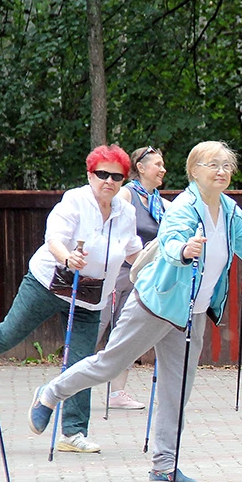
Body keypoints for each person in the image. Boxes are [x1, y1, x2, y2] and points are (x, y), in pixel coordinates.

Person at [29, 141, 242, 482]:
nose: (222, 171)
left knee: (176, 391)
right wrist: (184, 249)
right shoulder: (183, 207)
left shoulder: (229, 210)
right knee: (109, 365)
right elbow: (169, 243)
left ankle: (164, 466)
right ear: (194, 171)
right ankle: (51, 392)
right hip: (156, 304)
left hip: (191, 313)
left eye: (227, 166)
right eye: (213, 165)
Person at [0, 145, 143, 453]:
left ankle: (72, 433)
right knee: (9, 333)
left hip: (90, 298)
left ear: (124, 180)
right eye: (102, 174)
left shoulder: (125, 213)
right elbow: (54, 238)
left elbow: (134, 253)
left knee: (82, 362)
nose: (109, 181)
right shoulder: (75, 200)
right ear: (90, 175)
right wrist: (68, 257)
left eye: (117, 176)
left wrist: (158, 269)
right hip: (49, 283)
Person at [98, 146, 171, 410]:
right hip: (116, 273)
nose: (163, 169)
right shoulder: (126, 194)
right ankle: (69, 383)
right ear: (140, 167)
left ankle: (117, 393)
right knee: (96, 326)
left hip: (143, 276)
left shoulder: (162, 204)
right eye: (158, 164)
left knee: (125, 331)